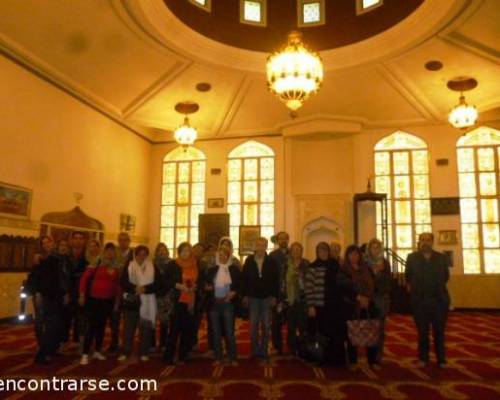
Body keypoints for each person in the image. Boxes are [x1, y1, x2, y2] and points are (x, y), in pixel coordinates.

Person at [405, 232, 450, 369]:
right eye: (422, 240)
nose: (425, 242)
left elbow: (446, 277)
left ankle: (441, 359)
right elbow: (408, 276)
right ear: (419, 242)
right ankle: (423, 358)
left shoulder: (441, 258)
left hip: (438, 301)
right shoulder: (412, 258)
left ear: (432, 242)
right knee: (423, 332)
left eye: (428, 239)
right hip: (420, 302)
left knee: (439, 331)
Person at [79, 243, 121, 365]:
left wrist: (117, 302)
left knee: (102, 327)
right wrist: (81, 295)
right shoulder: (96, 262)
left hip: (108, 300)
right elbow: (84, 279)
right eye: (108, 251)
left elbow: (118, 286)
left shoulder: (117, 266)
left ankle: (97, 350)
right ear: (104, 251)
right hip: (94, 299)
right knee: (91, 327)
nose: (110, 253)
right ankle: (85, 354)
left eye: (112, 251)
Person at [30, 236, 68, 364]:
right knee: (46, 325)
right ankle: (42, 353)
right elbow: (35, 278)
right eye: (44, 243)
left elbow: (60, 279)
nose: (46, 245)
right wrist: (37, 293)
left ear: (53, 244)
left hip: (56, 296)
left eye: (49, 242)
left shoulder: (56, 258)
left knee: (55, 325)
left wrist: (64, 293)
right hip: (45, 296)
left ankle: (50, 349)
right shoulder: (39, 259)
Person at [338, 245, 377, 369]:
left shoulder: (366, 269)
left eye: (356, 254)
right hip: (351, 306)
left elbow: (373, 285)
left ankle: (372, 361)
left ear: (360, 256)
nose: (354, 256)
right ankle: (353, 360)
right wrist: (358, 297)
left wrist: (367, 298)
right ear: (347, 256)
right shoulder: (344, 269)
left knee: (370, 331)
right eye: (351, 254)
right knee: (352, 333)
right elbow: (343, 287)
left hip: (367, 305)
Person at [305, 242, 343, 366]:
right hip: (318, 306)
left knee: (331, 333)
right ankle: (318, 357)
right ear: (317, 253)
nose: (323, 253)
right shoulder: (312, 266)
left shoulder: (334, 265)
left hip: (332, 306)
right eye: (320, 251)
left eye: (325, 251)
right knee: (319, 333)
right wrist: (311, 305)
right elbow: (309, 287)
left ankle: (330, 358)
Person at [241, 237, 279, 361]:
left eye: (263, 245)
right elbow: (244, 279)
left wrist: (275, 296)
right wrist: (245, 295)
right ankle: (255, 350)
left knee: (267, 326)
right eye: (258, 245)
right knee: (253, 326)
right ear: (255, 247)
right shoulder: (249, 260)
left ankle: (264, 351)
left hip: (267, 297)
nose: (261, 247)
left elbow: (275, 280)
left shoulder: (271, 261)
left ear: (266, 246)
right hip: (253, 298)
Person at [119, 245, 159, 362]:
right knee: (129, 328)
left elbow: (159, 283)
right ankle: (126, 352)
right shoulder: (130, 265)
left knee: (145, 328)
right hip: (132, 301)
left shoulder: (153, 266)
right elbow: (123, 281)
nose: (141, 257)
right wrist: (135, 288)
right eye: (139, 254)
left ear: (147, 255)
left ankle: (143, 352)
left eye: (144, 254)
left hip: (148, 301)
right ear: (135, 255)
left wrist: (145, 289)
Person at [164, 242, 201, 365]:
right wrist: (179, 286)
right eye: (184, 251)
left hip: (191, 300)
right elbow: (166, 281)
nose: (186, 253)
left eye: (188, 251)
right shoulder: (172, 265)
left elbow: (201, 280)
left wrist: (196, 286)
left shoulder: (196, 264)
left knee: (187, 329)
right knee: (174, 329)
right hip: (177, 301)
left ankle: (182, 355)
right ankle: (169, 356)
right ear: (179, 252)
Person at [204, 247, 242, 366]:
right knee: (216, 331)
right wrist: (207, 288)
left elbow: (240, 285)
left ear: (228, 256)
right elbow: (205, 284)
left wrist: (234, 292)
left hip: (228, 303)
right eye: (219, 255)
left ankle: (232, 357)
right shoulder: (212, 270)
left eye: (224, 255)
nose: (221, 257)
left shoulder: (234, 270)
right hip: (214, 304)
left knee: (229, 332)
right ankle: (218, 357)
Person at [365, 238, 392, 367]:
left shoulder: (385, 263)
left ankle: (377, 357)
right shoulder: (365, 263)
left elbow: (388, 281)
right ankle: (370, 356)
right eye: (372, 247)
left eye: (377, 247)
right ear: (369, 249)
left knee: (380, 329)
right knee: (370, 328)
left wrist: (380, 273)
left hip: (381, 299)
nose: (375, 250)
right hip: (369, 299)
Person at [107, 232, 134, 353]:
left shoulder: (134, 254)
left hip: (129, 291)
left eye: (125, 240)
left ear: (129, 241)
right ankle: (114, 343)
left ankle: (127, 344)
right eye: (121, 240)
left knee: (129, 320)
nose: (123, 242)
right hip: (114, 291)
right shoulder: (113, 254)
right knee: (114, 319)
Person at [284, 242, 308, 356]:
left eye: (298, 250)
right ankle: (292, 350)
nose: (296, 252)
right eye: (294, 250)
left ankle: (302, 350)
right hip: (290, 300)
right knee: (291, 327)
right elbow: (283, 283)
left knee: (303, 327)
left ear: (301, 251)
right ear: (291, 252)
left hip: (303, 300)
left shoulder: (306, 264)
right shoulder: (286, 265)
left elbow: (310, 282)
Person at [269, 231, 290, 355]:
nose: (283, 241)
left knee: (292, 322)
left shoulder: (293, 253)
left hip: (290, 294)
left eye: (285, 239)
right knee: (276, 322)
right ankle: (277, 347)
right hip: (277, 293)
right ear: (277, 241)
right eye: (281, 239)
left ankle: (292, 346)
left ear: (288, 240)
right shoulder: (272, 255)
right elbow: (270, 276)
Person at [68, 231, 89, 347]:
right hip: (67, 293)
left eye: (81, 238)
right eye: (75, 238)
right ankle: (64, 341)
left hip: (82, 293)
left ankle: (79, 342)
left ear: (84, 241)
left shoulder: (88, 257)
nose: (78, 240)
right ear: (71, 240)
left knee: (81, 319)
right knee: (66, 319)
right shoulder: (66, 256)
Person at [154, 243, 172, 351]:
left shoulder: (171, 263)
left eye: (163, 250)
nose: (162, 252)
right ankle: (151, 344)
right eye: (159, 250)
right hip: (154, 295)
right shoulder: (152, 263)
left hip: (167, 295)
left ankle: (163, 343)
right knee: (152, 319)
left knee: (165, 320)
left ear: (167, 251)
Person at [55, 239, 73, 346]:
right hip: (56, 294)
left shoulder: (69, 260)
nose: (63, 247)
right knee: (56, 320)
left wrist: (68, 292)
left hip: (67, 293)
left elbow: (69, 278)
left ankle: (63, 341)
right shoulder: (54, 259)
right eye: (61, 245)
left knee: (66, 319)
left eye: (65, 245)